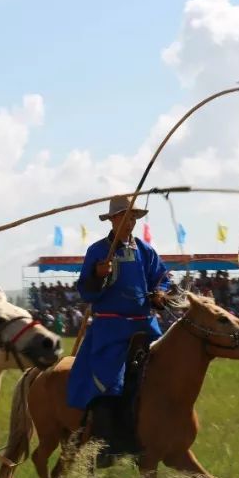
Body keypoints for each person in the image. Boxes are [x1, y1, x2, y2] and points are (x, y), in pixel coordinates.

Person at [68, 194, 171, 461]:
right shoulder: (98, 251)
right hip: (111, 328)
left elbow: (162, 278)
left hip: (145, 325)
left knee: (164, 372)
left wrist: (159, 293)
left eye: (133, 217)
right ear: (113, 219)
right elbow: (86, 291)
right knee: (110, 383)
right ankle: (105, 446)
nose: (130, 222)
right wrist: (97, 276)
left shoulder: (145, 251)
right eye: (125, 217)